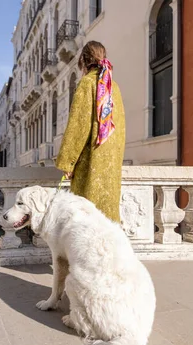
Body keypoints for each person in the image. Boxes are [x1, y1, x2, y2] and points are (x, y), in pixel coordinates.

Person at [55, 41, 126, 223]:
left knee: (87, 215)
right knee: (107, 215)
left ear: (83, 61)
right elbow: (121, 125)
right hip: (111, 160)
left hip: (91, 160)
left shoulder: (87, 83)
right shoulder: (114, 86)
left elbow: (79, 125)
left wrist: (68, 163)